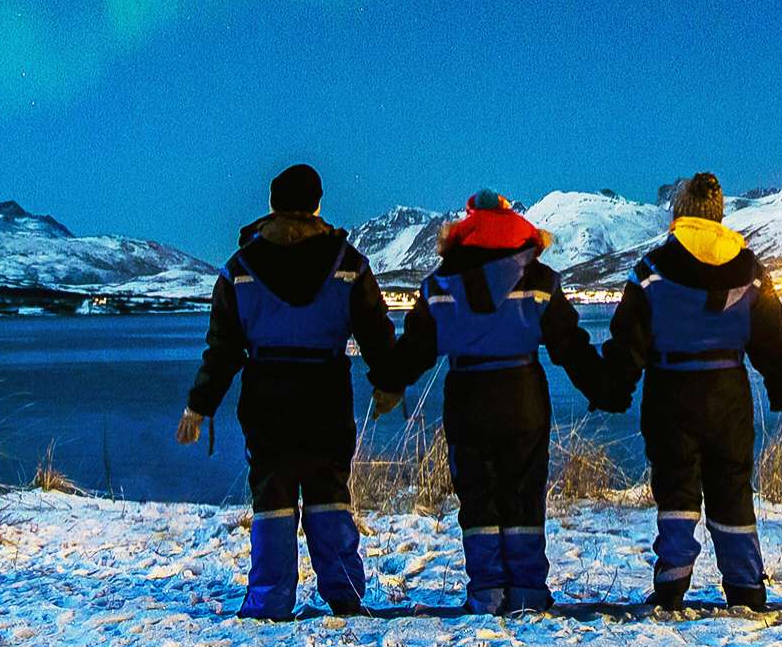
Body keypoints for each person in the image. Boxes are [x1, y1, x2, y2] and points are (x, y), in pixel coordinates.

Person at [177, 163, 400, 620]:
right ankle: (344, 594)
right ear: (317, 203)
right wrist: (387, 383)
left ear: (272, 204)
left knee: (272, 497)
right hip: (326, 394)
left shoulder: (239, 268)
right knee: (329, 492)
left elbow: (223, 350)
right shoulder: (348, 263)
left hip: (267, 397)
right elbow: (376, 332)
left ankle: (269, 599)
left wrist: (199, 407)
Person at [372, 191, 612, 614]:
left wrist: (389, 384)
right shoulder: (539, 279)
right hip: (523, 393)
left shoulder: (442, 282)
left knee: (477, 495)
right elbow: (570, 344)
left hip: (468, 393)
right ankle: (527, 592)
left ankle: (486, 592)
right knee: (524, 492)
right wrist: (604, 387)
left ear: (467, 225)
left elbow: (416, 348)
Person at [599, 172, 782, 609]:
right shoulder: (750, 269)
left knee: (676, 489)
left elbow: (628, 341)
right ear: (719, 215)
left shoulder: (652, 269)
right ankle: (746, 587)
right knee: (732, 488)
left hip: (671, 393)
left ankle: (671, 583)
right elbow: (771, 342)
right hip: (729, 393)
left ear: (680, 215)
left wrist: (612, 390)